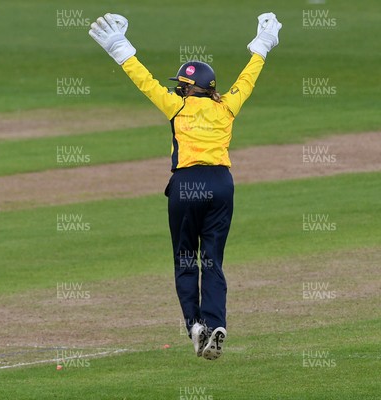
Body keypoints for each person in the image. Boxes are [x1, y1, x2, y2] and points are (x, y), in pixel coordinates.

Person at [89, 12, 282, 360]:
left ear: (187, 89)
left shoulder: (176, 106)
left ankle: (194, 324)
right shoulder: (227, 107)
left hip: (186, 185)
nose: (178, 87)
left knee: (184, 258)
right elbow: (247, 80)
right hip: (222, 185)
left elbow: (145, 81)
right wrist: (262, 46)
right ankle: (216, 323)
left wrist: (120, 48)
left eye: (181, 84)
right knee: (213, 261)